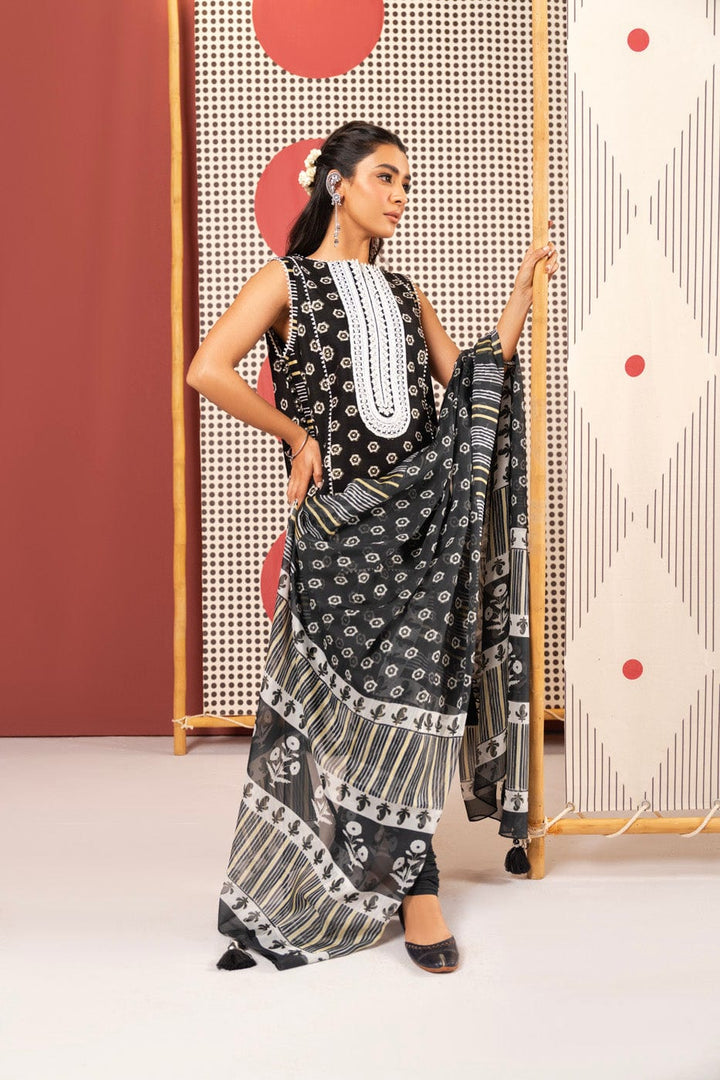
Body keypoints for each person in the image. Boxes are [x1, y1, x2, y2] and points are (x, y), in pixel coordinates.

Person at [186, 120, 559, 974]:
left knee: (415, 699)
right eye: (385, 177)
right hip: (336, 530)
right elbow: (207, 368)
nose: (399, 196)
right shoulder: (286, 279)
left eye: (406, 183)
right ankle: (304, 883)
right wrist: (295, 435)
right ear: (337, 184)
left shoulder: (404, 293)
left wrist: (520, 292)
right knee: (333, 712)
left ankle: (417, 886)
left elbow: (470, 386)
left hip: (421, 528)